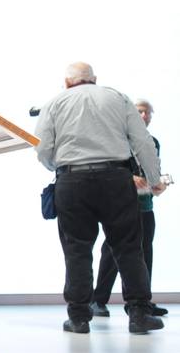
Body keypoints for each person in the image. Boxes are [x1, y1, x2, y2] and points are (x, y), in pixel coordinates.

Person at [35, 63, 164, 335]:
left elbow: (43, 149)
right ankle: (139, 314)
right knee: (129, 247)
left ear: (67, 82)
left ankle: (79, 318)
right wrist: (153, 179)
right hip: (116, 179)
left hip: (72, 181)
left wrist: (59, 166)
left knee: (77, 249)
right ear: (94, 80)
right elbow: (143, 142)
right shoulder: (117, 97)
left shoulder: (54, 103)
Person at [92, 98, 165, 318]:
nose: (145, 116)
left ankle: (143, 302)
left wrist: (158, 184)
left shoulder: (153, 142)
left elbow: (152, 171)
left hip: (145, 206)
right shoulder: (118, 140)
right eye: (141, 112)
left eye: (148, 113)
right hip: (119, 207)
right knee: (112, 253)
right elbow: (108, 169)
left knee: (145, 253)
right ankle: (98, 300)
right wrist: (128, 178)